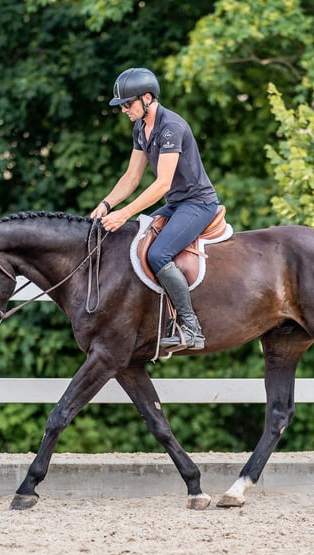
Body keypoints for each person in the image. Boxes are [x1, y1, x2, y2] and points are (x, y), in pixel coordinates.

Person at [91, 67, 220, 351]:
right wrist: (107, 204)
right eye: (122, 105)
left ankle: (191, 327)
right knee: (133, 239)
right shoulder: (141, 128)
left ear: (147, 98)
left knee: (158, 253)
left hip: (198, 203)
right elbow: (132, 177)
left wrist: (124, 213)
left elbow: (161, 183)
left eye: (128, 103)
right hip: (176, 204)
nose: (124, 109)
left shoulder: (171, 127)